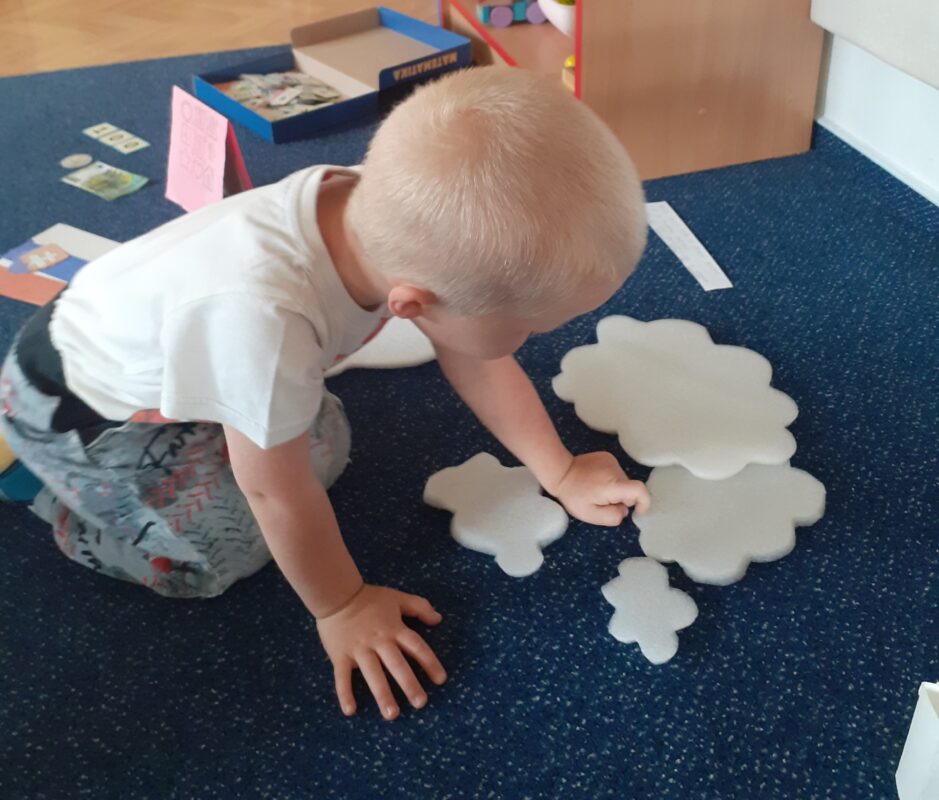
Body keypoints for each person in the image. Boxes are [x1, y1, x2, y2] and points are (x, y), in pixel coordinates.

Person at [0, 67, 649, 720]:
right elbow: (273, 493)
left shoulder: (394, 212)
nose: (532, 340)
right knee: (219, 555)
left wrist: (560, 471)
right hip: (77, 413)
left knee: (321, 445)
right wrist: (341, 606)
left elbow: (477, 359)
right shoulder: (264, 323)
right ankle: (63, 498)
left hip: (168, 342)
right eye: (529, 327)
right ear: (412, 304)